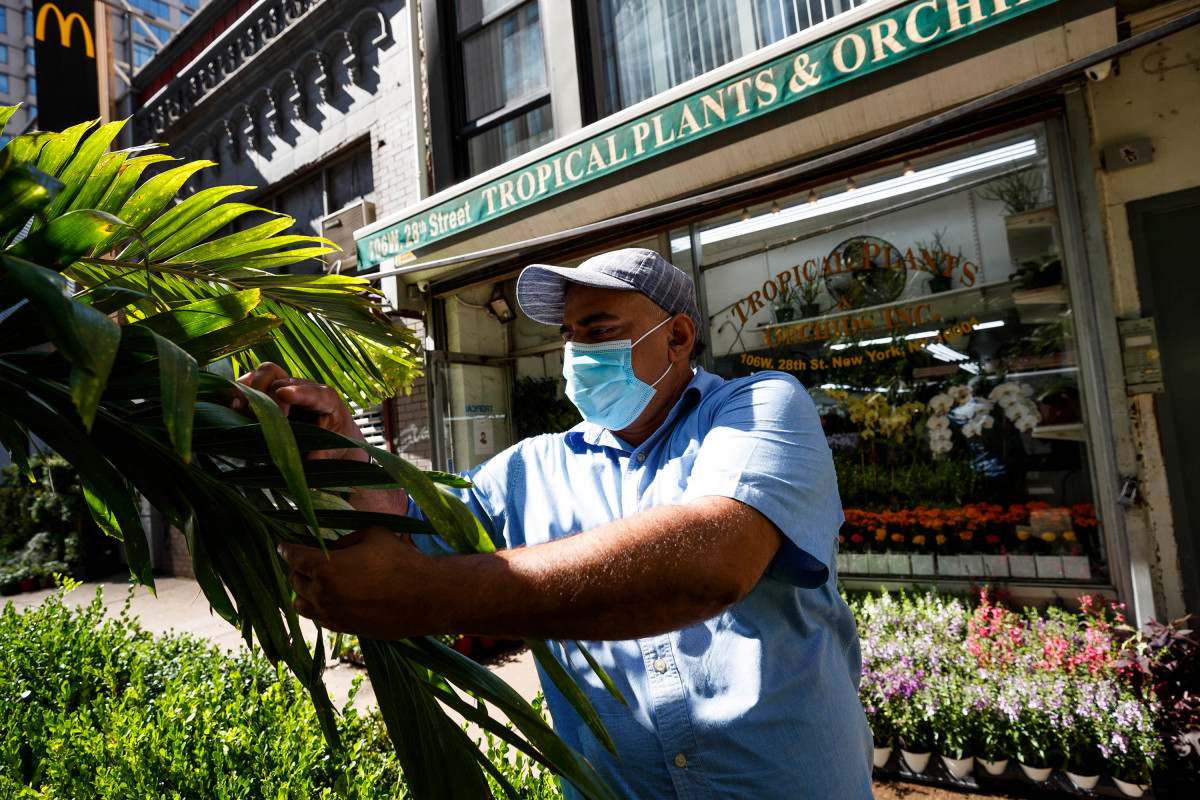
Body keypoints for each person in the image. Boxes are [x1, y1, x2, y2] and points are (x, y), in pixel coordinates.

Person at [238, 248, 873, 799]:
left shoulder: (760, 407)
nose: (575, 353)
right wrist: (338, 447)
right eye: (568, 335)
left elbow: (712, 561)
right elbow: (404, 535)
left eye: (598, 331)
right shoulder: (529, 467)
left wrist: (421, 596)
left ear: (677, 338)